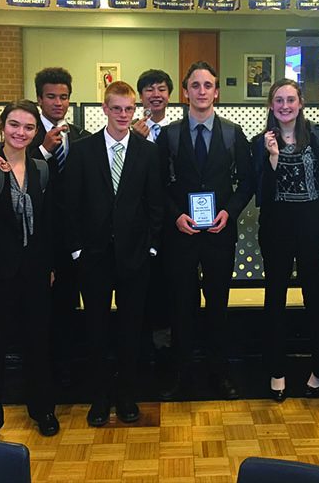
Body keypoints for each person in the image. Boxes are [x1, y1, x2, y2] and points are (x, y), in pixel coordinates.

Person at [63, 81, 164, 426]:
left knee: (131, 328)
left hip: (135, 256)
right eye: (116, 108)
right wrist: (76, 249)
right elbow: (70, 204)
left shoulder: (148, 152)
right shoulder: (82, 150)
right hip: (93, 256)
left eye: (129, 109)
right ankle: (99, 397)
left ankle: (126, 395)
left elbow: (155, 203)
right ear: (104, 109)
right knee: (96, 328)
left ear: (135, 111)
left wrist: (151, 246)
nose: (123, 115)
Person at [157, 61, 253, 401]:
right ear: (185, 92)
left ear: (216, 92)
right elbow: (158, 186)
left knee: (218, 306)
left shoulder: (232, 133)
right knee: (180, 306)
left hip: (218, 233)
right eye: (195, 85)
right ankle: (179, 373)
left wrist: (230, 211)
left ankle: (220, 373)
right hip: (181, 235)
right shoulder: (168, 135)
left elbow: (247, 182)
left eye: (207, 85)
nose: (201, 91)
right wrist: (175, 216)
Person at [0, 100, 59, 440]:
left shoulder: (40, 170)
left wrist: (48, 266)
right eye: (15, 125)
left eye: (29, 127)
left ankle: (43, 410)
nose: (21, 133)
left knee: (38, 344)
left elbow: (47, 225)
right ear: (2, 126)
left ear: (36, 133)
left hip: (33, 273)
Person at [251, 80, 319, 403]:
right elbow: (262, 195)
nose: (285, 105)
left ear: (301, 102)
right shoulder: (261, 142)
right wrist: (272, 159)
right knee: (275, 301)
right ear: (271, 106)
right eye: (278, 100)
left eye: (290, 99)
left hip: (314, 230)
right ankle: (276, 371)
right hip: (277, 230)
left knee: (317, 299)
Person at [28, 67, 90, 388]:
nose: (58, 103)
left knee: (72, 302)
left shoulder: (79, 135)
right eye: (51, 97)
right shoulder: (29, 133)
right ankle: (46, 374)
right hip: (43, 236)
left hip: (76, 235)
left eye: (63, 97)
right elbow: (21, 176)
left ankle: (70, 370)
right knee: (46, 309)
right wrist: (43, 151)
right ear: (40, 99)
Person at [132, 70, 175, 367]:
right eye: (149, 89)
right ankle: (140, 343)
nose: (155, 94)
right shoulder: (130, 130)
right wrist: (136, 141)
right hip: (139, 221)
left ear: (170, 95)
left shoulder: (179, 130)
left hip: (173, 219)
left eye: (161, 89)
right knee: (140, 282)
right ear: (141, 96)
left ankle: (165, 343)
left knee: (167, 281)